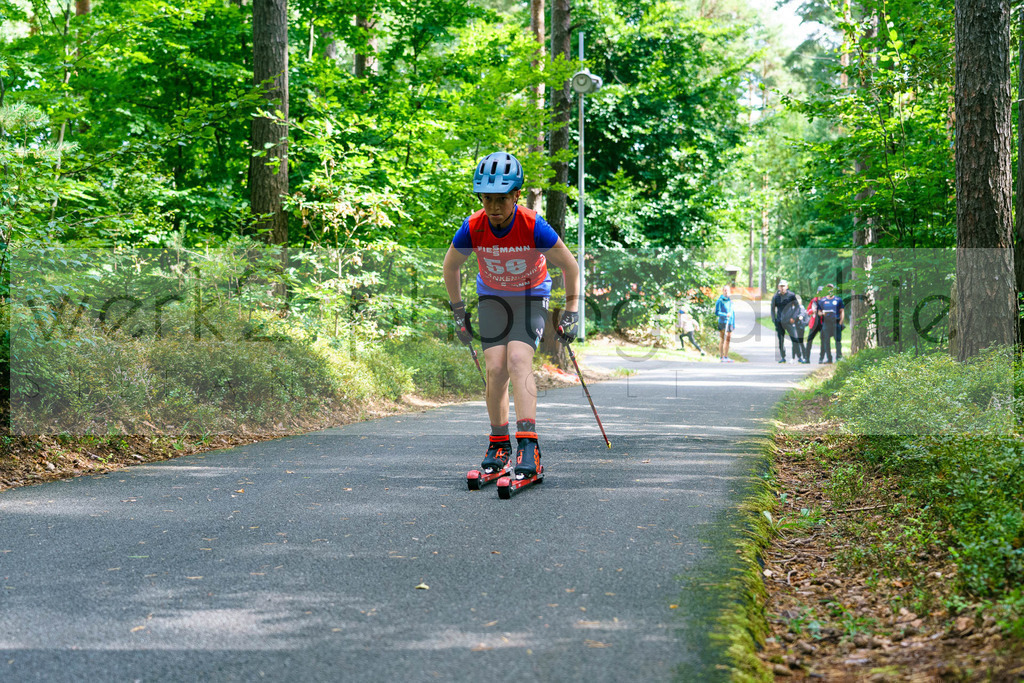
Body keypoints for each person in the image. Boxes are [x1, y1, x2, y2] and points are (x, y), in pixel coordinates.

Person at [442, 151, 581, 480]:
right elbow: (451, 267)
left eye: (501, 199)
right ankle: (499, 443)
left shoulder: (533, 225)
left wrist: (572, 311)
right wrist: (458, 312)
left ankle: (529, 445)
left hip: (530, 296)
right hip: (491, 297)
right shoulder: (473, 227)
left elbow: (570, 266)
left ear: (516, 195)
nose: (493, 208)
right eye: (486, 199)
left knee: (518, 360)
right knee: (496, 367)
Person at [770, 280, 801, 363]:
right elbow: (772, 308)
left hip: (789, 321)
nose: (782, 288)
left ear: (787, 287)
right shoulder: (776, 297)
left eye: (784, 286)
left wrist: (793, 317)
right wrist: (774, 320)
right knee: (780, 341)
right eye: (781, 286)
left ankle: (799, 357)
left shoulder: (791, 295)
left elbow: (797, 307)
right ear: (778, 287)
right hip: (780, 322)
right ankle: (783, 357)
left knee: (795, 339)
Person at [816, 284, 843, 364]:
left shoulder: (838, 300)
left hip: (836, 322)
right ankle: (829, 358)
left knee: (838, 340)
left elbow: (842, 311)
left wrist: (841, 322)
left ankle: (839, 357)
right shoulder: (822, 301)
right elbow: (819, 312)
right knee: (826, 341)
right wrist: (822, 313)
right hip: (826, 323)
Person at [714, 285, 735, 362]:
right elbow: (717, 312)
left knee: (728, 339)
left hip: (730, 322)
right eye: (725, 290)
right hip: (723, 322)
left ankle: (726, 356)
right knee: (722, 339)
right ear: (723, 291)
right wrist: (725, 315)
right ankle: (721, 356)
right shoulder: (720, 300)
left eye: (728, 290)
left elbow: (732, 313)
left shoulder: (731, 301)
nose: (726, 292)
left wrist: (733, 324)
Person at [803, 286, 824, 363]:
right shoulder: (814, 300)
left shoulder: (825, 301)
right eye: (819, 292)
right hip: (814, 324)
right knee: (809, 340)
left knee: (823, 341)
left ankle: (821, 359)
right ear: (817, 292)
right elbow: (807, 311)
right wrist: (813, 311)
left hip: (822, 323)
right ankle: (806, 358)